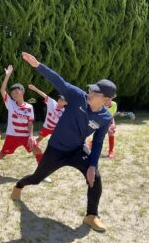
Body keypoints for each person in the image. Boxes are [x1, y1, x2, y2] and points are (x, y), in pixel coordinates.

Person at [12, 52, 116, 232]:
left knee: (95, 178)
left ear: (106, 100)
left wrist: (92, 165)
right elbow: (58, 81)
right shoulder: (77, 96)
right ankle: (19, 185)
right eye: (91, 90)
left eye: (95, 92)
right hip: (56, 149)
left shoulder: (105, 118)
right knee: (37, 179)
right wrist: (38, 65)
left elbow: (98, 142)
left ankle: (91, 215)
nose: (90, 93)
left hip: (77, 150)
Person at [0, 65, 48, 182]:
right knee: (3, 154)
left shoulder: (29, 107)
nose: (14, 94)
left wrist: (31, 136)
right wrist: (7, 76)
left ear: (22, 92)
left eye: (16, 91)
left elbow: (30, 122)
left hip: (26, 136)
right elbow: (2, 91)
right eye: (12, 92)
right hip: (12, 136)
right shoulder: (10, 104)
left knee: (37, 150)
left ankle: (42, 173)